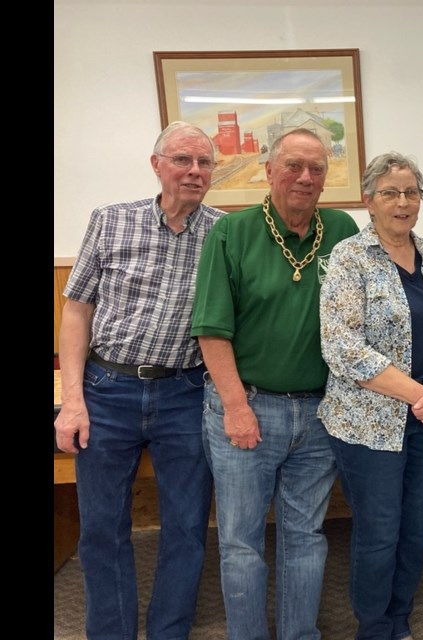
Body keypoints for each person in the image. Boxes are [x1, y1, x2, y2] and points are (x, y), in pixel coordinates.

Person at [54, 121, 223, 640]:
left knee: (188, 528)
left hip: (185, 393)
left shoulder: (226, 232)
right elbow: (77, 311)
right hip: (108, 391)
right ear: (157, 165)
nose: (194, 172)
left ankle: (169, 630)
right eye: (182, 160)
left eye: (204, 164)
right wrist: (72, 402)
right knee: (102, 530)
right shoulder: (111, 221)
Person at [191, 128, 360, 640]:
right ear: (269, 171)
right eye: (293, 166)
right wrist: (236, 407)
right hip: (246, 408)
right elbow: (211, 331)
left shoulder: (342, 229)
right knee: (241, 541)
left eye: (316, 169)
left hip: (320, 412)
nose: (305, 178)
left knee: (305, 535)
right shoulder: (232, 233)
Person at [318, 152, 423, 640]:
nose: (402, 202)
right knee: (379, 531)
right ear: (369, 200)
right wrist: (418, 394)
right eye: (390, 193)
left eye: (411, 192)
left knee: (416, 527)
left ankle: (400, 619)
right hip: (368, 422)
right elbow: (340, 345)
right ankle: (374, 626)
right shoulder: (349, 257)